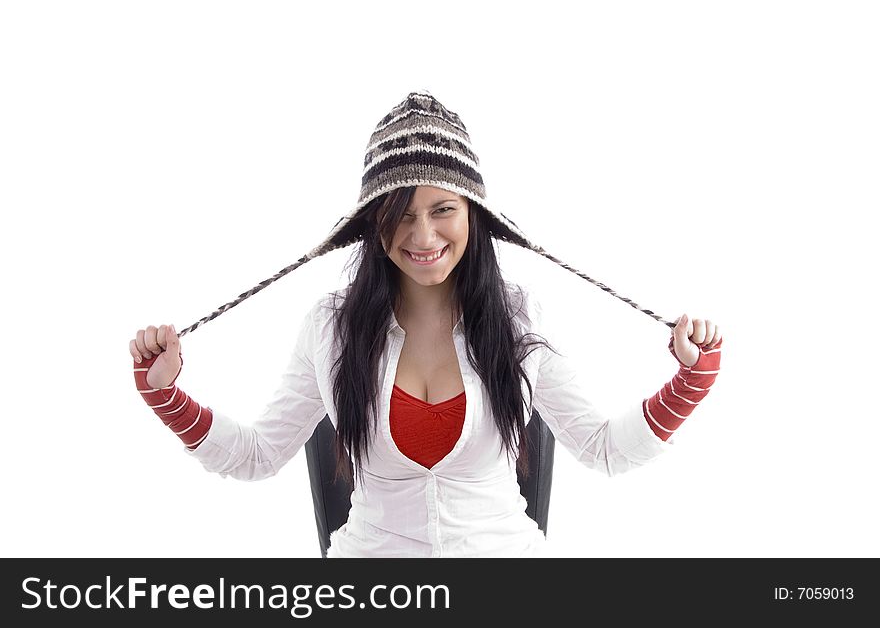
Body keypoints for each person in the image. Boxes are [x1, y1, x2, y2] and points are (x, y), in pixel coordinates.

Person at [129, 91, 722, 557]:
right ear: (372, 223)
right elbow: (255, 455)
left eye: (443, 210)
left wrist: (691, 381)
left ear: (474, 217)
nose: (422, 236)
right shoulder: (330, 328)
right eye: (400, 214)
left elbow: (604, 449)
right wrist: (166, 395)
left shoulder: (519, 318)